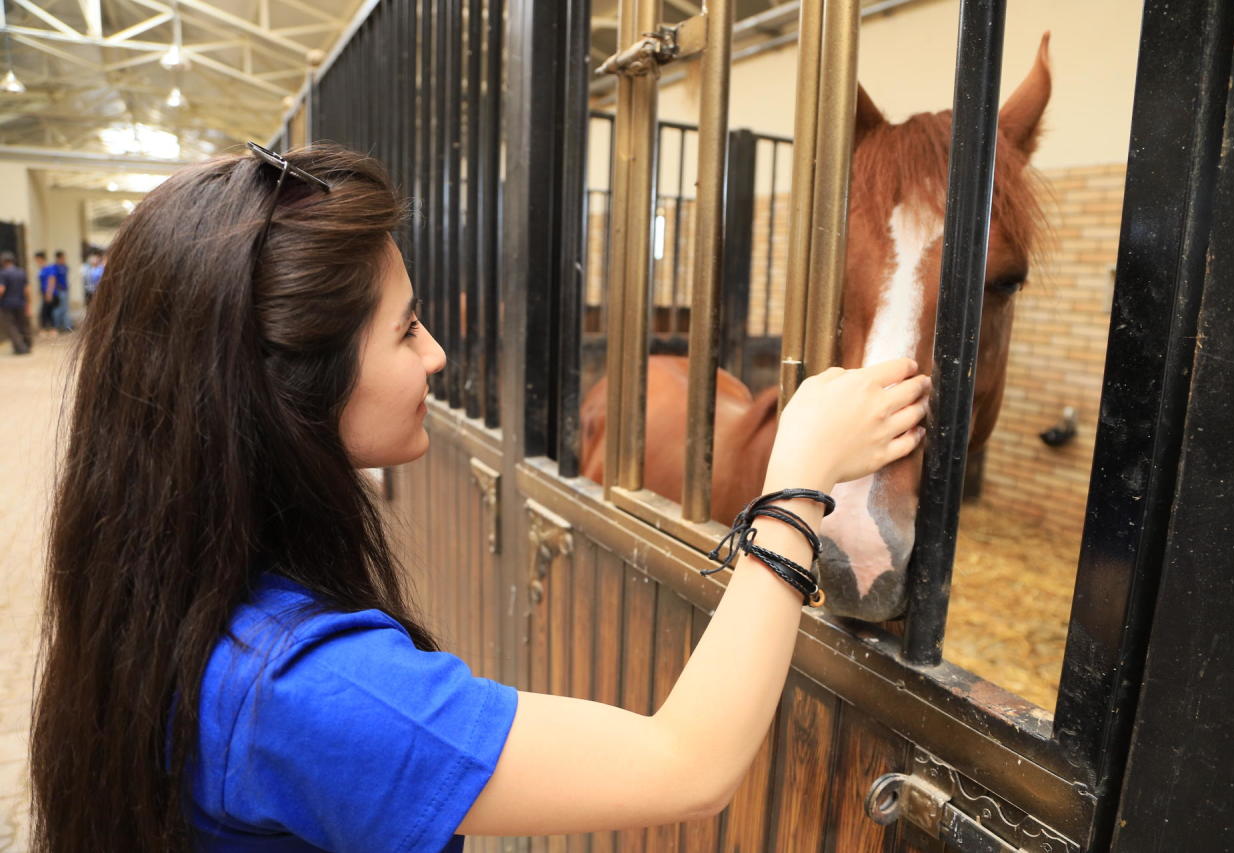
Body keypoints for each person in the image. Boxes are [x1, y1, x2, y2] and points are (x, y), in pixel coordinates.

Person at [30, 145, 930, 852]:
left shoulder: (180, 586)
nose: (435, 358)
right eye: (407, 328)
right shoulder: (311, 689)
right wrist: (799, 481)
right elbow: (688, 762)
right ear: (292, 387)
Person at [0, 251, 32, 355]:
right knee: (23, 325)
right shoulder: (21, 272)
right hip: (21, 303)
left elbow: (1, 289)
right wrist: (28, 303)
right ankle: (28, 344)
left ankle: (21, 347)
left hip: (7, 304)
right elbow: (27, 290)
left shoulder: (3, 274)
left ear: (3, 262)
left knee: (10, 326)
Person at [34, 250, 55, 339]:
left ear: (41, 259)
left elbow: (51, 280)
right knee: (47, 312)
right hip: (44, 293)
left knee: (44, 312)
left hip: (48, 293)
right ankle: (50, 330)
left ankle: (48, 330)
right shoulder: (41, 269)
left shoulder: (48, 268)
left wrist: (49, 292)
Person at [49, 249, 71, 332]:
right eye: (63, 257)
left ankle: (66, 326)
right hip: (58, 291)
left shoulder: (65, 267)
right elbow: (52, 279)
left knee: (65, 309)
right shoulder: (54, 267)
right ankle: (57, 326)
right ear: (59, 258)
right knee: (58, 309)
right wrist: (51, 292)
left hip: (65, 290)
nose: (64, 259)